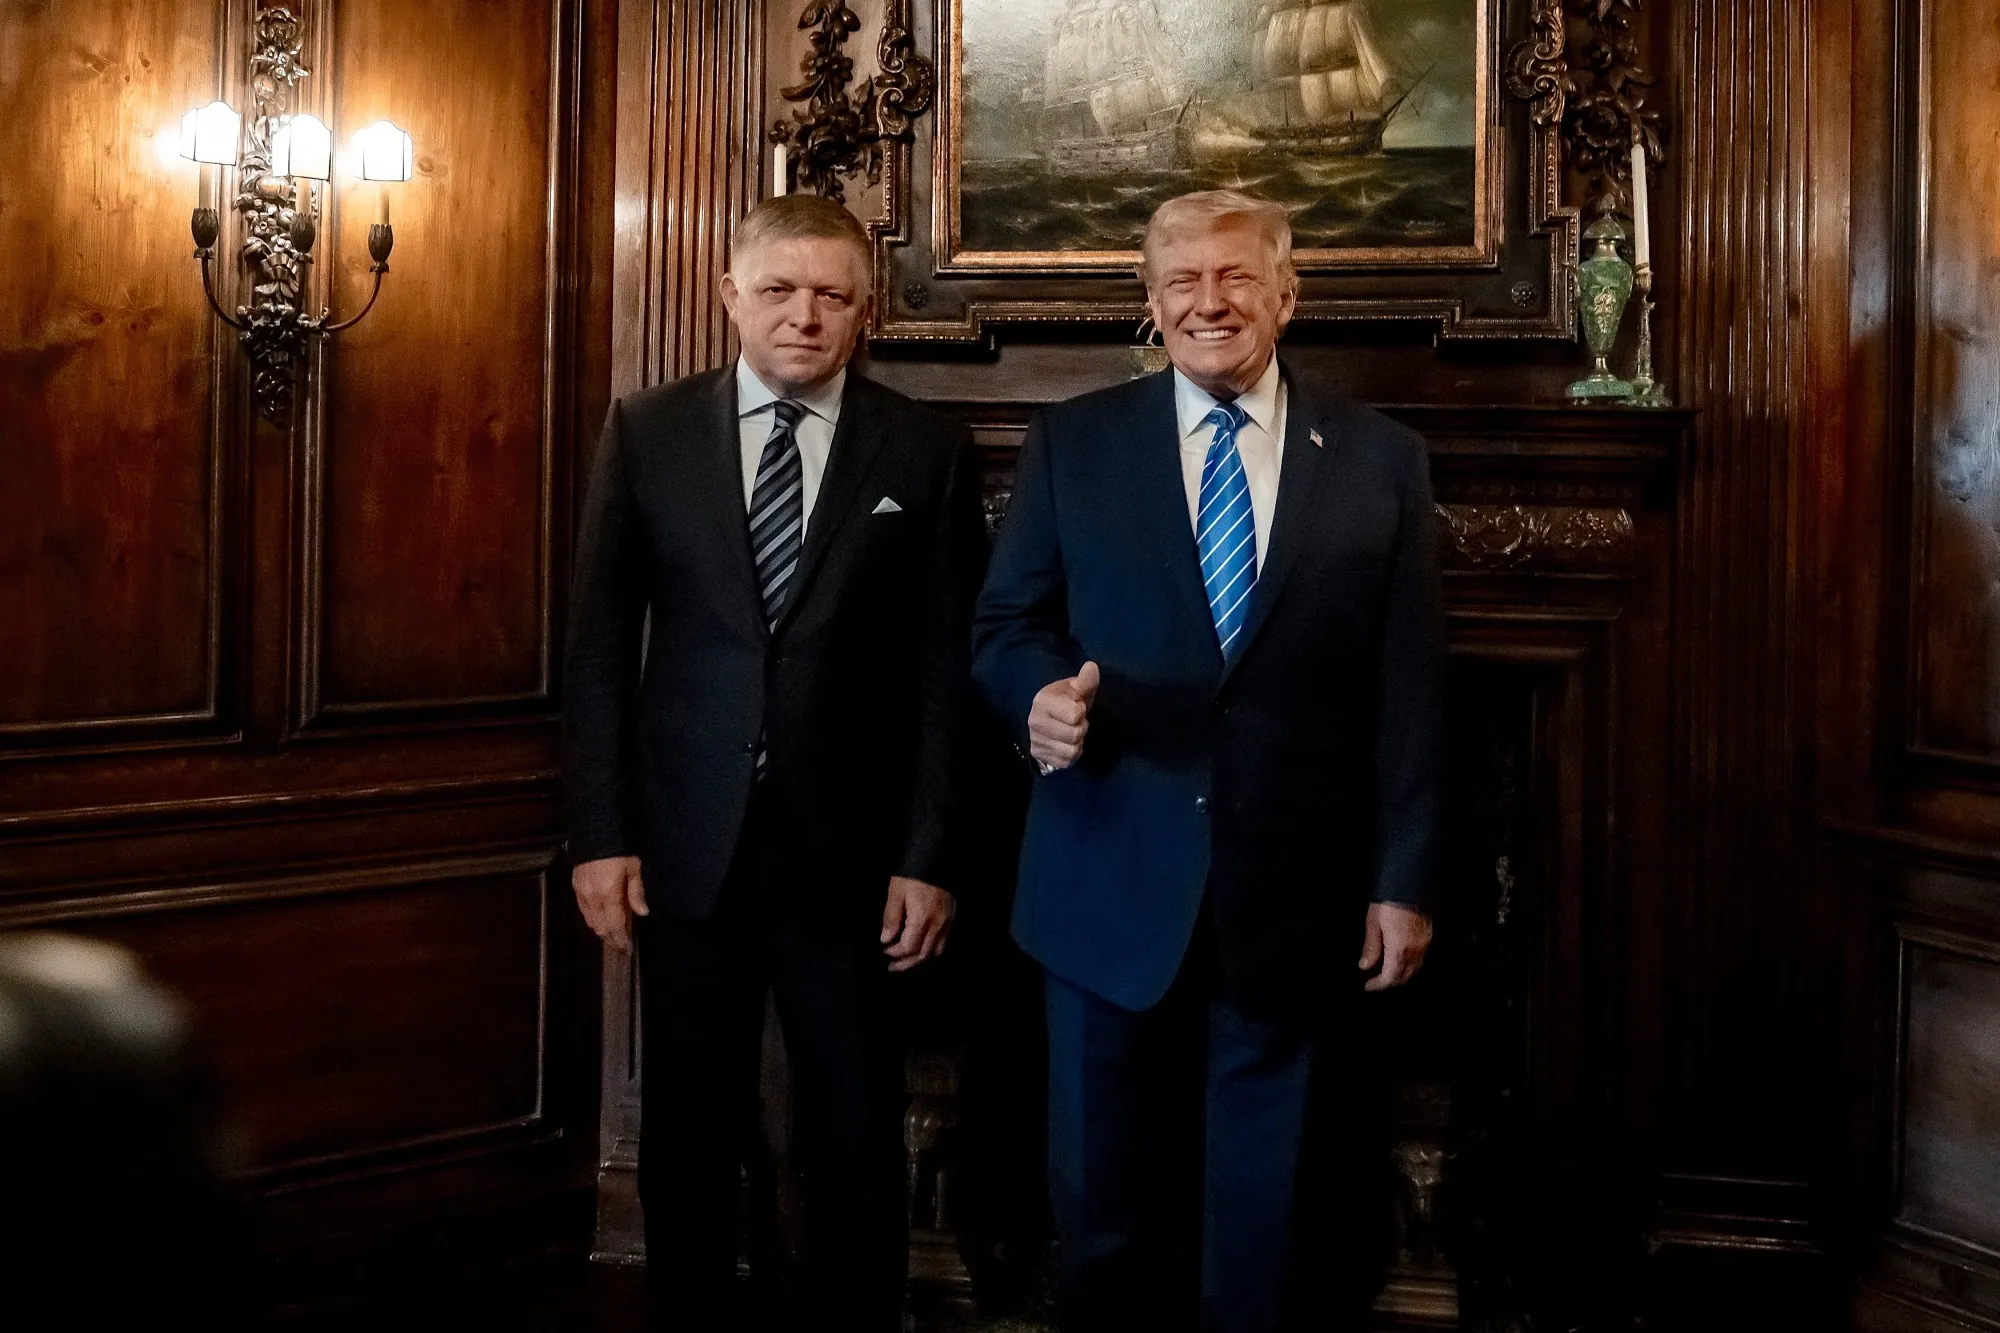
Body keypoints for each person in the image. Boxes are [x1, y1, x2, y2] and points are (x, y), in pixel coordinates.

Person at [971, 189, 1445, 1333]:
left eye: (1235, 277)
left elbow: (1411, 689)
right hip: (1101, 881)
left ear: (1285, 293)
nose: (1207, 301)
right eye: (1180, 280)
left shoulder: (1383, 460)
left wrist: (1403, 879)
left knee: (1265, 1212)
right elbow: (1005, 627)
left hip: (1291, 898)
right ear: (1148, 304)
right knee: (1101, 1207)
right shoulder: (1072, 443)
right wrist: (1035, 698)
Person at [564, 193, 985, 1332]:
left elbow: (949, 676)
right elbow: (599, 650)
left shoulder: (925, 450)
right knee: (690, 1122)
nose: (804, 316)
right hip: (683, 844)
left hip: (854, 857)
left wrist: (928, 854)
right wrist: (600, 835)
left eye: (831, 296)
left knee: (852, 1122)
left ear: (864, 311)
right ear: (729, 294)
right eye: (779, 290)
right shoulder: (645, 432)